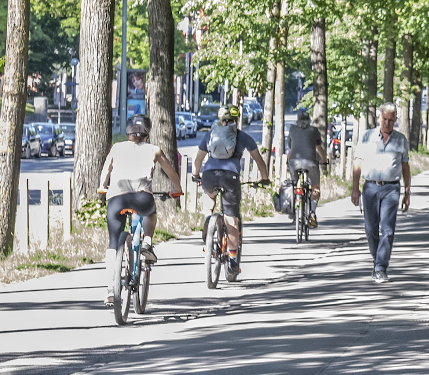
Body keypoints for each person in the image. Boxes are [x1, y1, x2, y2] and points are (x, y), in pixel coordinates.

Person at [97, 115, 183, 305]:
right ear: (147, 133)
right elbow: (171, 172)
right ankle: (147, 242)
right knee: (150, 213)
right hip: (142, 198)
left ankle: (112, 288)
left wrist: (103, 187)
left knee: (113, 242)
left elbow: (106, 170)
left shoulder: (117, 148)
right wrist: (177, 190)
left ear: (128, 133)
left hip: (116, 199)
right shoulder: (154, 150)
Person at [193, 105, 270, 277]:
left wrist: (196, 175)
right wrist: (264, 178)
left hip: (209, 175)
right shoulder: (242, 136)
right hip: (230, 177)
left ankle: (208, 219)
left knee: (209, 195)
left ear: (220, 120)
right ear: (237, 119)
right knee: (231, 220)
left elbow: (198, 159)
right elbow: (258, 160)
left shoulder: (210, 134)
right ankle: (233, 261)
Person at [351, 102, 412, 283]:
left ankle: (380, 267)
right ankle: (378, 260)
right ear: (379, 118)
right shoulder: (367, 136)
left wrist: (408, 192)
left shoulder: (401, 140)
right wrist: (355, 189)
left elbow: (405, 167)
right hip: (370, 187)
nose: (387, 123)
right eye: (384, 119)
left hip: (391, 188)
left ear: (395, 121)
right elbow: (357, 162)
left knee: (387, 229)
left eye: (391, 120)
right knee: (371, 230)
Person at [286, 110, 328, 227]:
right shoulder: (314, 130)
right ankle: (312, 214)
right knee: (315, 187)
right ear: (309, 120)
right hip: (311, 163)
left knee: (295, 184)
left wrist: (288, 162)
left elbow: (290, 151)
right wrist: (324, 160)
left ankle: (295, 208)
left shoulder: (292, 130)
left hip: (294, 163)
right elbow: (319, 148)